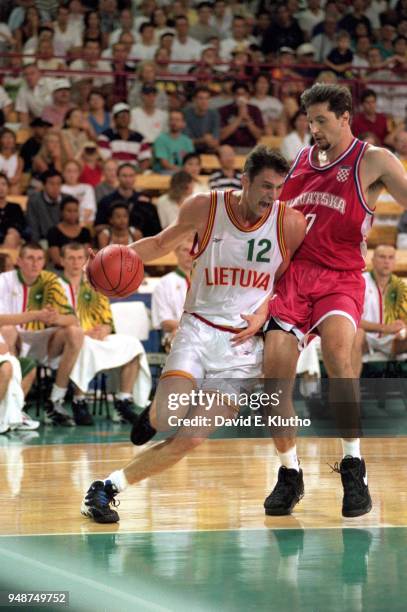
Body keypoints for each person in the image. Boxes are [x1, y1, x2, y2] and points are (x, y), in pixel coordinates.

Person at [80, 145, 307, 523]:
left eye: (278, 188)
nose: (271, 195)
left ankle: (106, 488)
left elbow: (290, 281)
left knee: (191, 438)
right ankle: (155, 415)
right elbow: (158, 244)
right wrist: (109, 257)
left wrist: (264, 312)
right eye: (265, 186)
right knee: (168, 417)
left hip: (242, 346)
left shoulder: (290, 223)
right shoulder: (205, 206)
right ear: (244, 180)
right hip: (198, 329)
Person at [250, 83, 407, 519]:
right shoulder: (299, 161)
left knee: (340, 357)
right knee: (273, 378)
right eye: (309, 121)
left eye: (321, 120)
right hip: (295, 278)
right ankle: (289, 473)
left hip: (340, 278)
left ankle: (353, 466)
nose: (313, 129)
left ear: (344, 117)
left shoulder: (373, 159)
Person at [58, 242, 151, 425]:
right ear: (62, 261)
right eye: (71, 258)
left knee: (132, 344)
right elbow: (54, 319)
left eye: (79, 258)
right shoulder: (55, 285)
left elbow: (107, 318)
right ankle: (79, 401)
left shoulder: (95, 283)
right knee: (82, 344)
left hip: (97, 336)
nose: (76, 262)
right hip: (69, 339)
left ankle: (123, 402)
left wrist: (104, 329)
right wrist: (84, 333)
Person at [0, 242, 84, 426]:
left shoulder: (53, 282)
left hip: (46, 341)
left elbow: (72, 319)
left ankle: (56, 399)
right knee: (7, 330)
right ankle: (13, 407)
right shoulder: (4, 281)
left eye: (39, 259)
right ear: (19, 261)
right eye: (30, 258)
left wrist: (55, 318)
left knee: (75, 333)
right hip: (15, 339)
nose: (34, 263)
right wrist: (35, 315)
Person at [352, 245, 407, 376]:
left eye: (390, 257)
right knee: (357, 334)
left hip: (392, 340)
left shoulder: (401, 286)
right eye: (382, 257)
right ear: (373, 260)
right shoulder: (359, 282)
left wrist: (402, 328)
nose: (386, 261)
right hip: (365, 338)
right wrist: (384, 328)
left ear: (395, 262)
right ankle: (350, 391)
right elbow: (352, 320)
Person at [151, 241, 193, 351]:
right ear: (176, 252)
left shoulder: (207, 281)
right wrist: (190, 328)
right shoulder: (164, 283)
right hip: (175, 334)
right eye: (185, 250)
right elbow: (165, 322)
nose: (190, 254)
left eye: (194, 250)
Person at [47, 197, 91, 269]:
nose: (72, 214)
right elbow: (56, 259)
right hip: (60, 270)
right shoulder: (53, 232)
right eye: (69, 211)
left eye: (75, 211)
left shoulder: (85, 231)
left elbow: (86, 255)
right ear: (61, 212)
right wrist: (72, 267)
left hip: (81, 270)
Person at [0, 172, 28, 249]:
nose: (1, 188)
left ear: (8, 188)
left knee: (11, 236)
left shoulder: (15, 207)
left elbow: (19, 225)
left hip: (13, 239)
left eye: (3, 184)